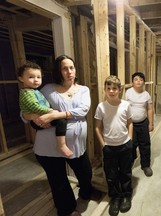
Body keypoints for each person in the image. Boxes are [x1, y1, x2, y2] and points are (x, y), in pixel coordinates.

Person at [22, 55, 102, 216]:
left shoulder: (83, 90)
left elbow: (83, 110)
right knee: (58, 181)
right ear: (58, 71)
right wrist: (32, 117)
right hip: (48, 146)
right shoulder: (47, 89)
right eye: (64, 68)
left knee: (85, 172)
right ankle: (67, 210)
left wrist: (54, 116)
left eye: (71, 67)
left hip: (76, 145)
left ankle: (86, 192)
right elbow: (26, 109)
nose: (69, 72)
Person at [94, 75, 133, 216]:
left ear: (120, 90)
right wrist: (103, 145)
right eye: (108, 88)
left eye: (114, 88)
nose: (111, 91)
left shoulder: (126, 105)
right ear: (104, 89)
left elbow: (130, 122)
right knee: (111, 175)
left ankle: (126, 195)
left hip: (124, 145)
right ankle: (115, 197)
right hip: (109, 147)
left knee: (125, 172)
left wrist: (130, 139)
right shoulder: (101, 107)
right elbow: (97, 127)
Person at [18, 61, 72, 157]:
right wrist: (50, 111)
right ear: (21, 78)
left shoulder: (33, 91)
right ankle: (61, 145)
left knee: (61, 120)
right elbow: (33, 107)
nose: (36, 80)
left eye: (38, 77)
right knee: (61, 121)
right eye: (31, 77)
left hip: (42, 118)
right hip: (38, 121)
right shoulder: (27, 92)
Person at [125, 72, 154, 177]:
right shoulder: (127, 93)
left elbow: (150, 109)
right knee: (131, 144)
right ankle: (131, 161)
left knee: (145, 145)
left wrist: (151, 124)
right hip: (130, 124)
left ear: (144, 82)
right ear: (132, 82)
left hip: (143, 123)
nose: (138, 81)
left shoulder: (146, 95)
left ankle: (145, 165)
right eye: (136, 79)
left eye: (141, 79)